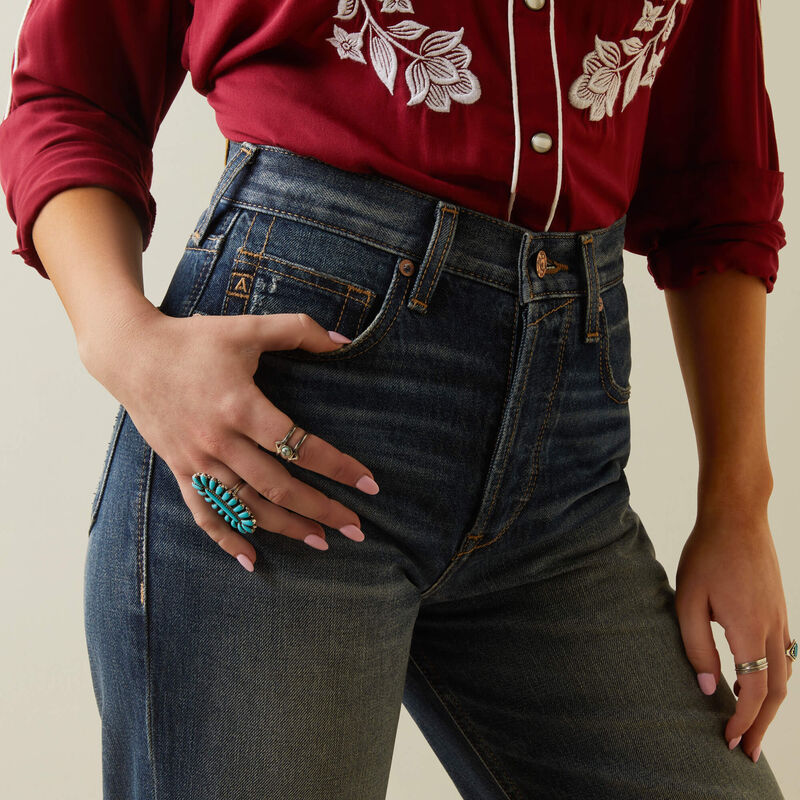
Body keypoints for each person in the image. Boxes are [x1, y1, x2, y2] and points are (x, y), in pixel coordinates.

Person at [0, 1, 794, 798]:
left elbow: (716, 185)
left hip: (567, 472)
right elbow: (74, 87)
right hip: (281, 439)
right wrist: (122, 341)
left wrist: (738, 503)